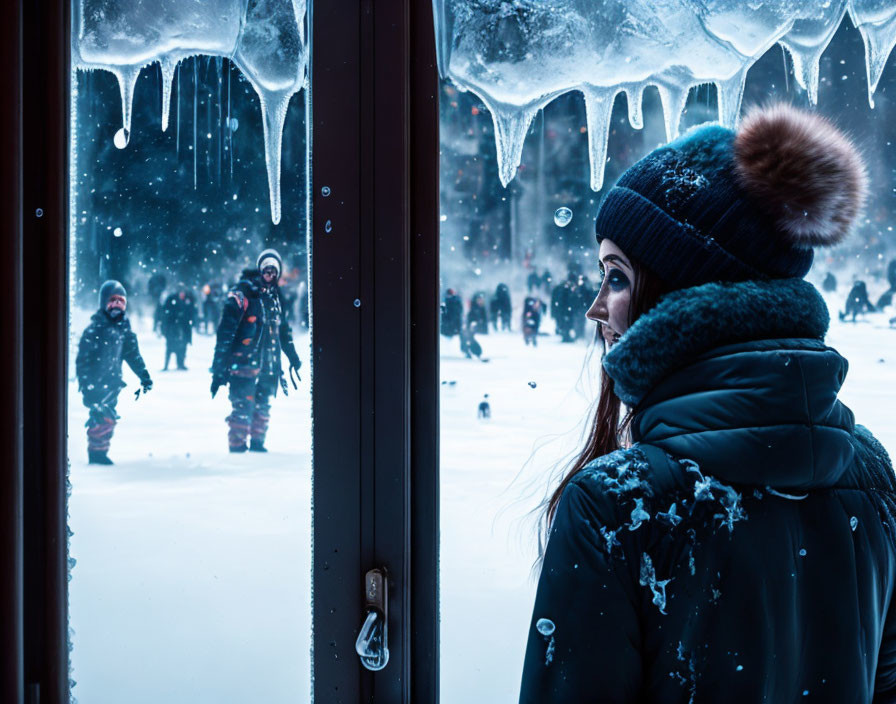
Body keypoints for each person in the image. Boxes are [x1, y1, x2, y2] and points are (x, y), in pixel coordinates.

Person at [520, 105, 896, 702]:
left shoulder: (619, 504)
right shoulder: (872, 474)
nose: (596, 308)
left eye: (616, 277)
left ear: (682, 292)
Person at [210, 249, 302, 453]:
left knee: (262, 406)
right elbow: (225, 331)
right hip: (244, 363)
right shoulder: (242, 294)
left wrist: (292, 355)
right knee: (242, 407)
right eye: (266, 270)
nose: (270, 275)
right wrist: (219, 367)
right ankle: (237, 450)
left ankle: (258, 444)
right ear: (260, 270)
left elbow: (283, 330)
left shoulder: (276, 298)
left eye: (274, 272)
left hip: (269, 364)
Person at [75, 280, 153, 464]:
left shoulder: (123, 330)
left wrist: (144, 375)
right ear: (103, 302)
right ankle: (96, 454)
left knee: (108, 417)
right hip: (95, 382)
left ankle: (100, 450)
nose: (117, 304)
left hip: (113, 383)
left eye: (121, 301)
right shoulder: (95, 329)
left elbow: (133, 355)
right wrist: (85, 383)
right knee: (100, 417)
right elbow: (83, 360)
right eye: (113, 300)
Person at [161, 284, 196, 370]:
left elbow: (192, 312)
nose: (182, 294)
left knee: (183, 346)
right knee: (170, 346)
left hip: (184, 327)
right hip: (173, 327)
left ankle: (181, 364)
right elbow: (165, 312)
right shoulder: (171, 299)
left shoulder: (188, 300)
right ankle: (166, 365)